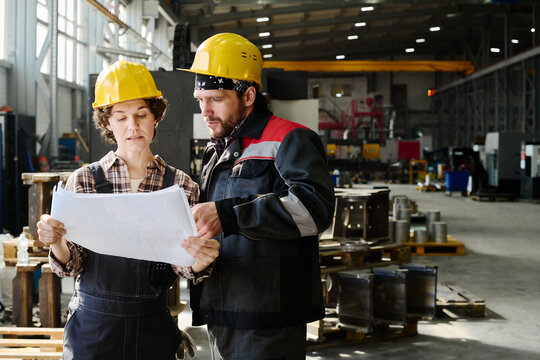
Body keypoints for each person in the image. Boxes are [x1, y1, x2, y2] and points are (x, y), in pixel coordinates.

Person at [36, 60, 220, 360]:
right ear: (107, 122)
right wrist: (55, 240)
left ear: (155, 117)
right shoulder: (84, 181)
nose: (132, 126)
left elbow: (183, 266)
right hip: (92, 330)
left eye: (141, 115)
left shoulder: (179, 185)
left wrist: (201, 259)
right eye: (120, 117)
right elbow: (72, 264)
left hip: (152, 330)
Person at [182, 33, 335, 359]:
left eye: (216, 98)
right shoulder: (218, 149)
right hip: (223, 311)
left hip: (268, 320)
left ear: (248, 95)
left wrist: (229, 215)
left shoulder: (290, 139)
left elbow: (314, 209)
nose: (205, 111)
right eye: (200, 99)